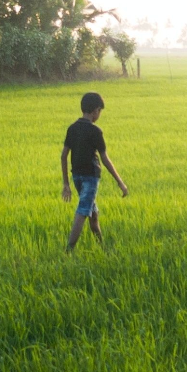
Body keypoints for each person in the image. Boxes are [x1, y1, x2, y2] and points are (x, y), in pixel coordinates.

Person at [61, 91, 128, 252]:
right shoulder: (95, 131)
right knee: (83, 211)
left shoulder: (72, 128)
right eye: (100, 111)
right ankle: (69, 250)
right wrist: (121, 183)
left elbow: (63, 156)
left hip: (76, 177)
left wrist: (66, 184)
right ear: (95, 110)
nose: (99, 115)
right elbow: (105, 159)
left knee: (93, 213)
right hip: (90, 178)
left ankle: (102, 246)